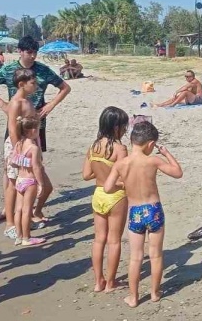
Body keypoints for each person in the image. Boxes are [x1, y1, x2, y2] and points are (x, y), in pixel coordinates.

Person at [0, 36, 69, 223]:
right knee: (11, 167)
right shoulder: (9, 70)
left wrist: (50, 106)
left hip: (36, 125)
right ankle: (8, 209)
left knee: (33, 163)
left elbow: (65, 87)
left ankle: (27, 208)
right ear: (20, 51)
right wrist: (4, 105)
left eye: (34, 52)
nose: (32, 56)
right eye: (29, 52)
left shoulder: (42, 70)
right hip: (16, 126)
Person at [104, 121, 183, 308]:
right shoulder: (152, 161)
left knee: (136, 257)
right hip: (153, 210)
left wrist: (123, 185)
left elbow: (107, 187)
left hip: (135, 211)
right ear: (150, 144)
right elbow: (177, 173)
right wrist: (166, 154)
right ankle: (155, 293)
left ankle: (133, 297)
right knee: (155, 255)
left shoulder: (121, 164)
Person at [2, 68, 53, 240]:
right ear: (22, 84)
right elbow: (12, 128)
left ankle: (29, 218)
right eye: (33, 83)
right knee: (16, 184)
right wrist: (20, 148)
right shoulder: (17, 102)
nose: (36, 85)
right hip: (21, 147)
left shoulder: (28, 100)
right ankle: (13, 225)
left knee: (34, 185)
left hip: (30, 145)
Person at [82, 106, 129, 293]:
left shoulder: (93, 147)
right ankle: (110, 282)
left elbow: (86, 175)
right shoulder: (120, 148)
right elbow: (124, 177)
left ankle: (98, 281)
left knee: (98, 239)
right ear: (116, 127)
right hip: (115, 196)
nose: (126, 130)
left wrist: (100, 172)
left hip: (98, 194)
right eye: (124, 126)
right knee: (114, 240)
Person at [10, 117, 47, 246]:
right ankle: (27, 237)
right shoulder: (33, 148)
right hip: (30, 181)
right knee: (27, 210)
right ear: (32, 131)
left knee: (18, 210)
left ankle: (19, 236)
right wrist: (41, 184)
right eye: (38, 129)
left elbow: (13, 162)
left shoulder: (19, 144)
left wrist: (22, 162)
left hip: (20, 180)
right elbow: (36, 167)